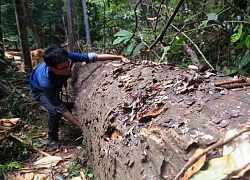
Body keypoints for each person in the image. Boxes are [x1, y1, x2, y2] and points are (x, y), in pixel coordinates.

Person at [29, 44, 129, 148]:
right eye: (63, 68)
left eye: (68, 64)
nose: (68, 69)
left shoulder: (68, 57)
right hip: (39, 90)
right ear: (51, 68)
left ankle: (69, 106)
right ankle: (53, 138)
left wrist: (119, 57)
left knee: (62, 106)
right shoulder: (45, 82)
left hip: (55, 83)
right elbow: (61, 109)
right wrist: (82, 128)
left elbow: (92, 57)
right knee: (55, 112)